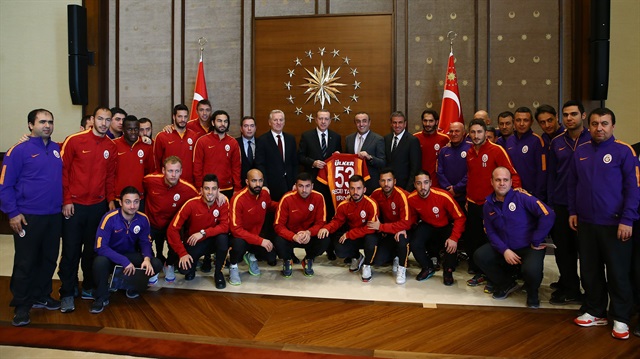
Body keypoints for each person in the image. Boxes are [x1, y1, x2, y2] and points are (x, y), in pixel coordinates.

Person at [568, 108, 639, 340]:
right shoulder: (581, 151)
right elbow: (573, 184)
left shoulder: (624, 151)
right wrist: (573, 211)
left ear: (613, 126)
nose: (600, 128)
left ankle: (621, 317)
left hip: (616, 225)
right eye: (595, 123)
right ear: (589, 126)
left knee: (618, 273)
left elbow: (633, 189)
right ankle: (596, 311)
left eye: (605, 123)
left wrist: (628, 219)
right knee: (590, 270)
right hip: (587, 223)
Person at [0, 109, 63, 326]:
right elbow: (5, 185)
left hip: (53, 215)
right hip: (27, 216)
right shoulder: (17, 151)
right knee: (26, 261)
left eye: (50, 122)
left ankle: (41, 295)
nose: (47, 125)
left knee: (48, 259)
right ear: (30, 125)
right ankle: (22, 304)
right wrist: (13, 213)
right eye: (42, 122)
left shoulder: (57, 149)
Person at [58, 106, 117, 313]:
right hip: (73, 206)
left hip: (98, 207)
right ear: (93, 119)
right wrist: (66, 200)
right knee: (71, 251)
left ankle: (89, 287)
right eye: (100, 119)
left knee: (92, 251)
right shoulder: (74, 140)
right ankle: (67, 291)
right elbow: (63, 172)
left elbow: (110, 177)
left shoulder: (111, 146)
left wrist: (110, 200)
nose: (103, 123)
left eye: (107, 120)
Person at [475, 167, 554, 308]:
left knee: (531, 270)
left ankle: (532, 292)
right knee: (480, 256)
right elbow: (490, 232)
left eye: (505, 180)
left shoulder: (522, 197)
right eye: (498, 180)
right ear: (491, 182)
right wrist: (504, 250)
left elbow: (548, 214)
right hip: (507, 247)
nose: (502, 183)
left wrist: (536, 240)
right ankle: (506, 284)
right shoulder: (488, 205)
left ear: (511, 182)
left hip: (530, 246)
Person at [465, 119, 521, 287]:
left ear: (486, 133)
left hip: (492, 205)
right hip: (473, 203)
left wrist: (512, 200)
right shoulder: (469, 152)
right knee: (473, 240)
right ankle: (479, 272)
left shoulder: (497, 150)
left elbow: (513, 175)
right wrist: (468, 197)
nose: (476, 136)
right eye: (473, 132)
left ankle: (495, 275)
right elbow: (472, 176)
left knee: (491, 241)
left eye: (479, 132)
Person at [90, 186, 163, 314]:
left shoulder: (143, 218)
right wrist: (124, 261)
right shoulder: (109, 218)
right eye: (128, 202)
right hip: (111, 257)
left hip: (130, 256)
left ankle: (130, 286)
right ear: (121, 202)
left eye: (136, 202)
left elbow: (146, 242)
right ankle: (101, 297)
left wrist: (146, 258)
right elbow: (100, 247)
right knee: (99, 262)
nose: (132, 206)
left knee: (155, 263)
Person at [546, 100, 590, 305]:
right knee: (563, 249)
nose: (570, 118)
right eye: (566, 115)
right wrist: (550, 204)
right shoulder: (556, 142)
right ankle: (570, 286)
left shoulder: (593, 139)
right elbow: (551, 176)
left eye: (574, 114)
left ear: (583, 115)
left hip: (587, 205)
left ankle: (591, 291)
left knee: (587, 250)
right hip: (561, 203)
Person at [167, 174, 229, 289]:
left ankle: (218, 273)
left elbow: (225, 226)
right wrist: (182, 253)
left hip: (212, 240)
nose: (210, 192)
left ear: (218, 190)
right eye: (207, 188)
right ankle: (193, 263)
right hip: (194, 242)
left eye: (214, 189)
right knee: (184, 269)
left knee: (223, 238)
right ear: (201, 190)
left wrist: (203, 233)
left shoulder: (223, 202)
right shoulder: (191, 204)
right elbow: (172, 229)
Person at [143, 156, 199, 284]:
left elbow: (201, 199)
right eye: (170, 171)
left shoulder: (188, 189)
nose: (173, 175)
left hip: (172, 226)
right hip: (151, 223)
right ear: (163, 170)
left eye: (176, 171)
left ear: (181, 172)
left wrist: (218, 194)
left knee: (176, 244)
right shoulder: (150, 180)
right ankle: (154, 268)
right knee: (143, 245)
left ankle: (169, 265)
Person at [408, 171, 466, 286]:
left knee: (451, 244)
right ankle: (427, 267)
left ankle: (448, 271)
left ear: (430, 183)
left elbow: (460, 217)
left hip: (445, 225)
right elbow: (411, 218)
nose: (422, 187)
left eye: (425, 183)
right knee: (415, 243)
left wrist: (454, 238)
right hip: (427, 224)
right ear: (414, 185)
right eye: (419, 183)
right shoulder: (411, 198)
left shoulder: (443, 196)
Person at [318, 175, 379, 282]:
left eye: (359, 188)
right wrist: (327, 228)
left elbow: (371, 228)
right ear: (348, 189)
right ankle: (357, 257)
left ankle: (367, 265)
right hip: (354, 235)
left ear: (364, 189)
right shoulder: (343, 205)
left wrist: (349, 234)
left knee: (371, 241)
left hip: (367, 234)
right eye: (352, 188)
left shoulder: (371, 204)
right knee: (340, 249)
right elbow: (337, 221)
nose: (355, 192)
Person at [228, 169, 278, 285]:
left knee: (271, 256)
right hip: (241, 237)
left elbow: (270, 205)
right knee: (238, 244)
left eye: (260, 181)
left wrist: (286, 204)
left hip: (257, 236)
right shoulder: (237, 199)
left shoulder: (264, 194)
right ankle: (233, 266)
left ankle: (251, 256)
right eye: (254, 181)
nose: (258, 184)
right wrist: (260, 241)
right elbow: (236, 230)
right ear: (247, 181)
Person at [273, 172, 328, 277]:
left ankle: (308, 259)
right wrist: (293, 236)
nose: (304, 190)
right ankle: (287, 260)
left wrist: (309, 232)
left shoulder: (319, 197)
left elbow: (321, 222)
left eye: (307, 186)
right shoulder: (286, 198)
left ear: (312, 186)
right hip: (292, 236)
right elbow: (278, 225)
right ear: (295, 186)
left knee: (325, 238)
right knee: (278, 240)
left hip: (309, 235)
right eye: (301, 186)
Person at [367, 169, 412, 284]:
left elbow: (406, 222)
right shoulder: (376, 193)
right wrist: (350, 199)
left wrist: (381, 227)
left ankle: (402, 267)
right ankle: (395, 256)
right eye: (383, 181)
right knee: (378, 261)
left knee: (402, 239)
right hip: (387, 232)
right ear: (379, 182)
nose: (386, 184)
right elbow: (366, 204)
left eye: (389, 180)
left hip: (402, 231)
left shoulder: (402, 195)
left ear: (395, 181)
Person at [192, 109, 241, 195]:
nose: (223, 124)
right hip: (207, 188)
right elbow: (197, 166)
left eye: (225, 121)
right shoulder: (202, 141)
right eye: (219, 121)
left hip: (227, 188)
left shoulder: (233, 142)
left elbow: (236, 167)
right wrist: (199, 187)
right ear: (213, 123)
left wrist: (237, 188)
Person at [255, 109, 298, 202]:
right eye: (275, 120)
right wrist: (264, 185)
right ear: (270, 122)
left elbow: (295, 163)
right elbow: (260, 165)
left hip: (290, 185)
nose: (278, 122)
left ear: (284, 122)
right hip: (271, 186)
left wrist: (296, 182)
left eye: (281, 120)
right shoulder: (262, 140)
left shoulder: (290, 139)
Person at [505, 107, 547, 200]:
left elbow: (542, 172)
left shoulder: (537, 141)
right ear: (513, 122)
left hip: (531, 195)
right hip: (512, 192)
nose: (521, 124)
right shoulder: (509, 141)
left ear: (531, 122)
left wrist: (537, 196)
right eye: (518, 120)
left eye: (526, 120)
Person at [114, 115, 155, 209]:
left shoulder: (146, 146)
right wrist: (110, 198)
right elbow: (109, 173)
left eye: (136, 129)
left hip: (139, 197)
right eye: (129, 129)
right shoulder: (114, 145)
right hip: (118, 197)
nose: (133, 132)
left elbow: (150, 173)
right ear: (123, 130)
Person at [153, 104, 198, 184]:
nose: (183, 119)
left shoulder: (194, 136)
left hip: (189, 183)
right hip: (168, 183)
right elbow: (156, 161)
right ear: (174, 117)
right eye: (179, 116)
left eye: (185, 117)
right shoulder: (162, 136)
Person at [345, 112, 386, 193]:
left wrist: (369, 157)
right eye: (358, 121)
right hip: (354, 184)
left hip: (370, 183)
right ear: (355, 123)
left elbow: (382, 162)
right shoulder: (348, 139)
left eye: (364, 121)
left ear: (369, 123)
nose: (361, 124)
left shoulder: (378, 139)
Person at [384, 111, 421, 191]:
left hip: (405, 186)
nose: (397, 125)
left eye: (400, 122)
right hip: (388, 186)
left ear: (405, 124)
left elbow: (415, 168)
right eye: (394, 123)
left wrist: (408, 189)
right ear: (391, 124)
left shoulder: (412, 140)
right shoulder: (386, 139)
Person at [437, 121, 470, 209]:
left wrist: (456, 188)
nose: (453, 134)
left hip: (465, 195)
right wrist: (449, 189)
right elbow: (440, 171)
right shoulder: (444, 150)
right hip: (448, 195)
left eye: (457, 131)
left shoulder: (471, 149)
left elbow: (471, 172)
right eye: (451, 131)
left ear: (463, 133)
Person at [413, 110, 450, 188]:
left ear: (436, 122)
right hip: (419, 184)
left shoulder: (445, 139)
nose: (427, 124)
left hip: (438, 184)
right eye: (425, 121)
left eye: (431, 121)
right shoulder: (414, 138)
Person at [236, 116, 258, 186]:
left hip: (257, 184)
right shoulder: (235, 143)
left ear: (255, 128)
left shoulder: (261, 143)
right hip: (240, 183)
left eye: (252, 126)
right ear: (241, 129)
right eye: (246, 126)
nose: (249, 129)